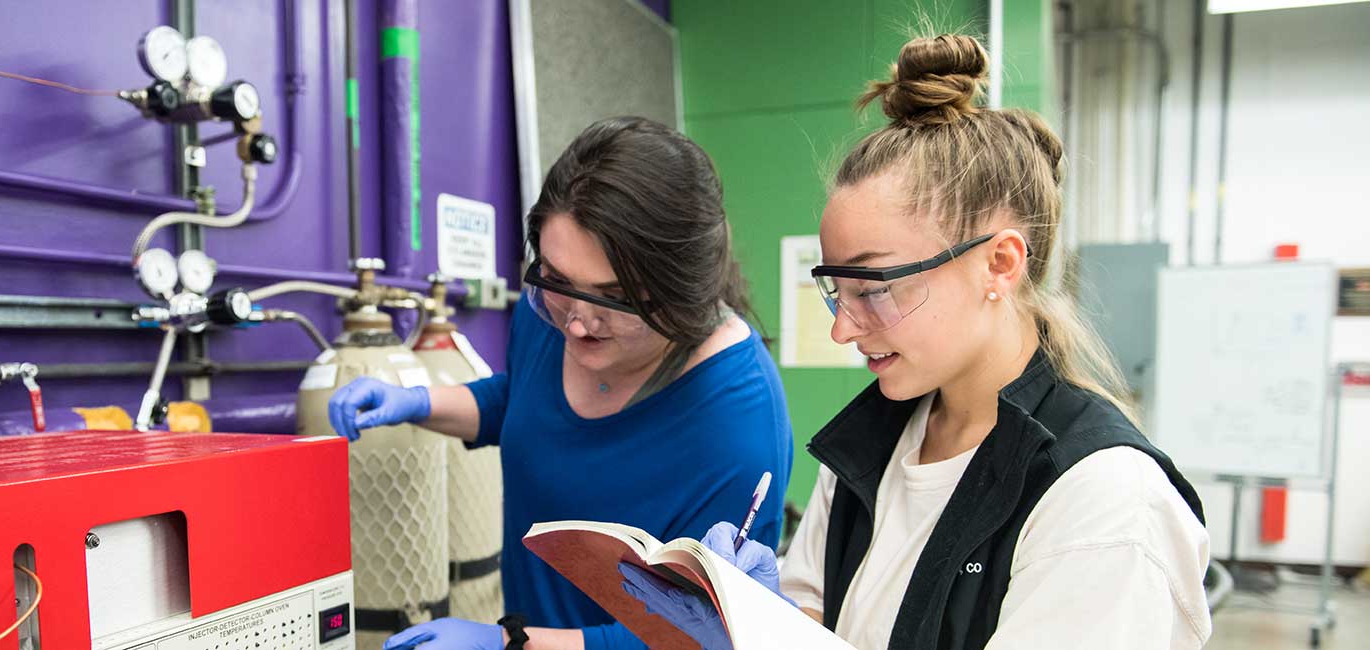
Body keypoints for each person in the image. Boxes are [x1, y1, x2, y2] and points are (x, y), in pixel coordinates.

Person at [621, 34, 1212, 649]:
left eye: (874, 288)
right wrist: (751, 623)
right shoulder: (871, 447)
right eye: (835, 290)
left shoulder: (1104, 502)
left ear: (1000, 265)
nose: (842, 329)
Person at [329, 116, 794, 650]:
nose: (575, 322)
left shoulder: (737, 422)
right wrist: (415, 402)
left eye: (614, 297)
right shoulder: (545, 310)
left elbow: (692, 640)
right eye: (557, 281)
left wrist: (509, 645)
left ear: (681, 290)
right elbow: (530, 406)